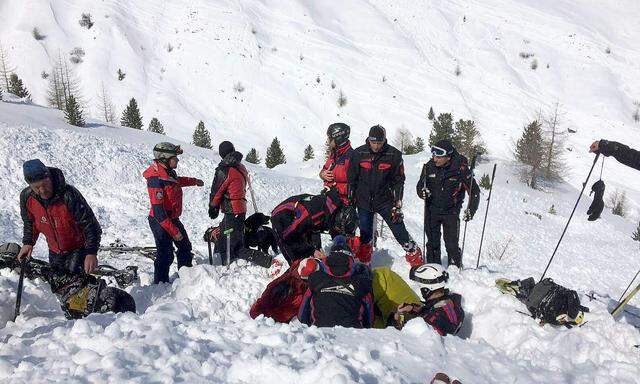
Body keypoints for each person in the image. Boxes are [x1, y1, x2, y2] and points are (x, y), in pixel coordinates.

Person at [347, 125, 422, 266]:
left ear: (384, 140)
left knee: (399, 229)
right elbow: (352, 179)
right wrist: (351, 201)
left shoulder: (393, 155)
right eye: (373, 142)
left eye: (379, 143)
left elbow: (399, 181)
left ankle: (415, 255)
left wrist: (397, 202)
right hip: (364, 201)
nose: (376, 146)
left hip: (386, 201)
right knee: (365, 233)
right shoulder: (358, 153)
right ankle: (365, 261)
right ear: (368, 140)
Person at [17, 159, 102, 274]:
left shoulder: (69, 195)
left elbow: (90, 225)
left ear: (50, 178)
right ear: (30, 186)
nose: (42, 190)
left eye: (45, 184)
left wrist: (91, 253)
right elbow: (30, 222)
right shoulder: (27, 198)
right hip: (55, 250)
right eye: (37, 187)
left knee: (74, 282)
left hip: (78, 247)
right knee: (59, 283)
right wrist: (28, 243)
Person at [143, 142, 203, 284]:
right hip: (160, 220)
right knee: (166, 254)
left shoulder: (167, 173)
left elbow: (176, 181)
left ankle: (186, 278)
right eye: (174, 157)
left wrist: (194, 181)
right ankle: (160, 284)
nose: (177, 160)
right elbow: (158, 212)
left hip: (171, 217)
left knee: (185, 246)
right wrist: (174, 231)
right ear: (164, 158)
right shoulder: (155, 178)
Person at [416, 140, 479, 268]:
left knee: (451, 243)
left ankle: (455, 266)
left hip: (451, 211)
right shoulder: (428, 166)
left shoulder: (460, 168)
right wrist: (422, 192)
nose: (435, 159)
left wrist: (470, 210)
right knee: (432, 242)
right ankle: (434, 268)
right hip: (431, 210)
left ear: (448, 157)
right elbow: (419, 186)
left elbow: (474, 191)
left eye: (439, 157)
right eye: (434, 155)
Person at [270, 188, 357, 264]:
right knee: (296, 257)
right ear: (339, 220)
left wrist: (339, 243)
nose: (339, 231)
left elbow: (329, 226)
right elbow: (289, 237)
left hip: (304, 219)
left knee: (315, 251)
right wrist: (311, 251)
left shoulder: (334, 209)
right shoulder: (312, 215)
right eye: (340, 229)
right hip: (282, 219)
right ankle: (295, 275)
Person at [297, 243, 374, 328]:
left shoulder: (315, 279)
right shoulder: (362, 283)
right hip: (353, 335)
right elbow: (369, 320)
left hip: (320, 334)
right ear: (351, 261)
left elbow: (302, 315)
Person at [394, 263, 465, 336]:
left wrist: (398, 323)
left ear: (426, 289)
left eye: (420, 286)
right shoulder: (450, 301)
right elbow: (430, 310)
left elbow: (415, 340)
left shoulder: (433, 321)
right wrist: (413, 309)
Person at [209, 141, 250, 264]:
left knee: (226, 237)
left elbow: (217, 190)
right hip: (241, 207)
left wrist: (213, 206)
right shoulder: (240, 166)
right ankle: (238, 257)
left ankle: (226, 262)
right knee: (237, 234)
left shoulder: (225, 169)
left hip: (231, 208)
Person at [496, 277, 587, 327]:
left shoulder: (572, 302)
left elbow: (570, 292)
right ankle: (519, 292)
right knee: (530, 295)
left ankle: (517, 287)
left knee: (532, 284)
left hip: (545, 289)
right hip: (535, 303)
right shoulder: (562, 320)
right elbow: (545, 319)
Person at [320, 123, 354, 205]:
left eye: (330, 138)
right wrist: (323, 174)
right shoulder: (334, 154)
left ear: (338, 138)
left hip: (343, 203)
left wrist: (335, 188)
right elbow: (324, 169)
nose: (328, 141)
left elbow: (355, 185)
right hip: (329, 199)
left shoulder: (351, 157)